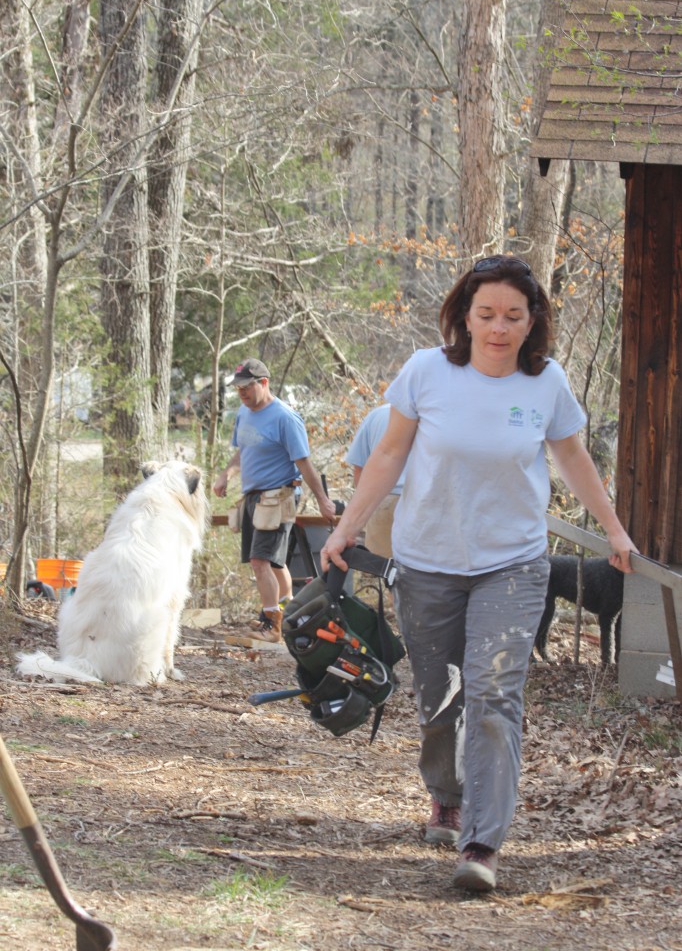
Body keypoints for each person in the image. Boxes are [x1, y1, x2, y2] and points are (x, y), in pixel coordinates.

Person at [321, 255, 636, 892]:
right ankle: (446, 793)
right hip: (428, 561)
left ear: (532, 321)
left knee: (494, 698)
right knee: (439, 693)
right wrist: (348, 525)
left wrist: (613, 528)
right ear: (464, 316)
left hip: (514, 564)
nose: (498, 327)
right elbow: (388, 454)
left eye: (512, 316)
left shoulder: (546, 382)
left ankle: (483, 842)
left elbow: (572, 456)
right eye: (486, 314)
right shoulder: (427, 372)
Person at [213, 358, 336, 643]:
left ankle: (272, 624)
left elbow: (304, 463)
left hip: (278, 496)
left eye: (246, 387)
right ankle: (288, 613)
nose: (241, 393)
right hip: (253, 496)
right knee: (276, 564)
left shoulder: (284, 417)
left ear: (264, 383)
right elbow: (242, 451)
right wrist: (225, 475)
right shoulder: (243, 415)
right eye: (238, 388)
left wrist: (323, 500)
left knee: (261, 560)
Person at [346, 403, 407, 559]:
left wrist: (365, 507)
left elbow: (359, 469)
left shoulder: (376, 415)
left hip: (381, 500)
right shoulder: (431, 414)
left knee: (381, 570)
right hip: (422, 500)